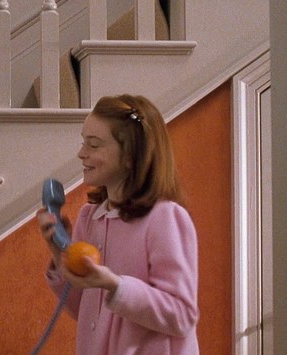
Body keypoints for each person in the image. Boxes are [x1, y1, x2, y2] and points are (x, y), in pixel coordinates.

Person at [36, 94, 199, 354]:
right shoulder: (90, 218)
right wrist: (59, 253)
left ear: (130, 155)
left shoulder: (165, 218)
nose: (81, 153)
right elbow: (85, 310)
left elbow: (181, 316)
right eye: (83, 142)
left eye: (94, 145)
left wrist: (115, 284)